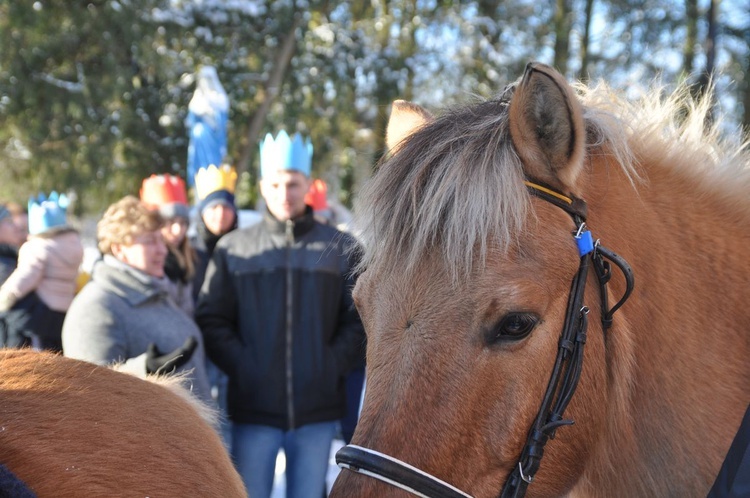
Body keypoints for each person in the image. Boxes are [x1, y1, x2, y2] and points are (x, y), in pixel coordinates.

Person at [196, 130, 366, 498]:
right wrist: (246, 365)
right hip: (254, 409)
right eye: (275, 184)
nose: (284, 193)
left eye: (293, 183)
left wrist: (328, 363)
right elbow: (212, 318)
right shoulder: (235, 249)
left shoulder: (340, 247)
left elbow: (359, 318)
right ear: (262, 186)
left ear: (307, 184)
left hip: (317, 412)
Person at [61, 196, 212, 405]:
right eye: (150, 241)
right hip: (154, 436)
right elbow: (89, 394)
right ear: (119, 249)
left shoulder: (155, 291)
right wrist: (143, 369)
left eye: (161, 239)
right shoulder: (96, 306)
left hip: (188, 433)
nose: (162, 250)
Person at [191, 163, 239, 450]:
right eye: (213, 208)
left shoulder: (246, 248)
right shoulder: (190, 254)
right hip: (199, 351)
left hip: (234, 348)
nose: (220, 215)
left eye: (225, 208)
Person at [0, 193, 83, 351]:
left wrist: (7, 295)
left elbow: (26, 276)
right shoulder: (73, 245)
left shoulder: (33, 248)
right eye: (9, 222)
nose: (17, 228)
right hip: (59, 315)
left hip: (41, 324)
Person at [140, 173, 196, 316]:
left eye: (183, 223)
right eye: (170, 223)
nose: (178, 231)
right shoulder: (146, 264)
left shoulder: (194, 259)